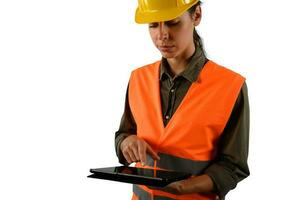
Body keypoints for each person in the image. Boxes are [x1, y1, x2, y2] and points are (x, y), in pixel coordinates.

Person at [115, 0, 250, 199]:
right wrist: (126, 143)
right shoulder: (138, 78)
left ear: (196, 15)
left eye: (172, 22)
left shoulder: (230, 86)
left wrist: (186, 187)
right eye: (153, 25)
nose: (162, 35)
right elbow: (124, 134)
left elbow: (233, 167)